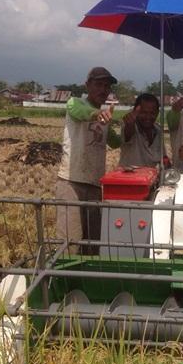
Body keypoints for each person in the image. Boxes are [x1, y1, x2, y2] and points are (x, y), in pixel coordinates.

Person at [56, 66, 121, 253]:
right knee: (70, 242)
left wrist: (128, 126)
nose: (103, 90)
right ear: (87, 86)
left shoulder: (106, 115)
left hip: (94, 184)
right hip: (71, 182)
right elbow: (81, 112)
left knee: (93, 242)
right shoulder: (74, 103)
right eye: (98, 84)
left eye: (107, 86)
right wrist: (96, 114)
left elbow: (115, 142)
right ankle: (65, 280)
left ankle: (87, 279)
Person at [118, 93, 163, 168]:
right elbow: (128, 132)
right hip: (129, 179)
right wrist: (129, 124)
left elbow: (163, 158)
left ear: (157, 113)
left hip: (150, 178)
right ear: (136, 111)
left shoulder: (158, 131)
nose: (148, 117)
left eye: (152, 113)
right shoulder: (131, 127)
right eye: (144, 112)